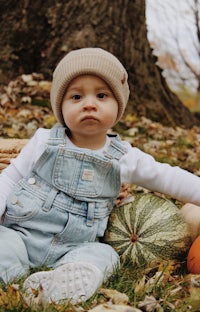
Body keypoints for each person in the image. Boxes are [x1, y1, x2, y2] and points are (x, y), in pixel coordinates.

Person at [0, 47, 200, 305]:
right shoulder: (43, 141)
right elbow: (9, 177)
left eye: (102, 95)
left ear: (118, 105)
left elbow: (169, 177)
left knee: (105, 255)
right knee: (4, 242)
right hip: (23, 234)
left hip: (73, 248)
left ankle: (64, 280)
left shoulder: (124, 157)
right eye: (76, 97)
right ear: (60, 106)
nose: (89, 104)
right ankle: (15, 280)